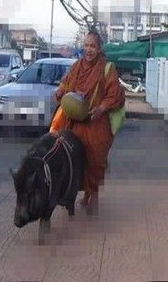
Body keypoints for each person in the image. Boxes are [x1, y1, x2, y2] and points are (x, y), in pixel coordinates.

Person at [53, 30, 125, 213]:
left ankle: (93, 195)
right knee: (72, 159)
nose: (89, 50)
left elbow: (114, 95)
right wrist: (61, 91)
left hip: (96, 124)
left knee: (94, 162)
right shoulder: (77, 65)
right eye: (86, 45)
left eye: (93, 46)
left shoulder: (108, 68)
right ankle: (73, 194)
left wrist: (101, 108)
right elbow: (66, 82)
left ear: (99, 48)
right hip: (75, 122)